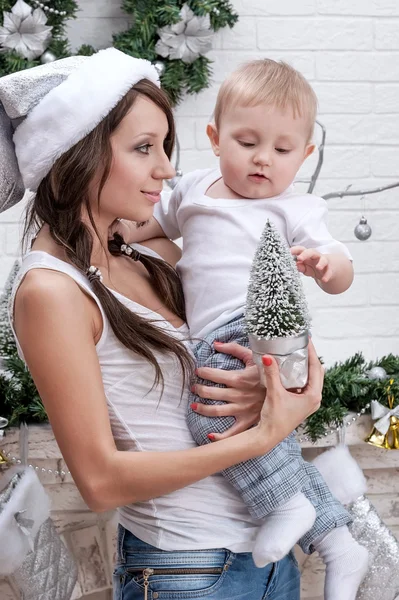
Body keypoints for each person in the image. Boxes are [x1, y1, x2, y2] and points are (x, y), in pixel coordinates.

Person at [0, 48, 325, 600]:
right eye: (143, 148)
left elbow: (272, 320)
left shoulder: (148, 253)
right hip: (187, 572)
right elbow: (100, 482)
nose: (169, 169)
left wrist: (278, 380)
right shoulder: (50, 291)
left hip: (268, 560)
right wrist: (264, 435)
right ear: (75, 152)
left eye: (166, 147)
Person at [117, 59, 369, 600]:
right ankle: (335, 537)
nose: (262, 159)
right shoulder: (191, 190)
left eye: (282, 151)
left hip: (262, 325)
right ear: (213, 137)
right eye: (247, 141)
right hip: (214, 335)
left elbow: (339, 260)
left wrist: (328, 267)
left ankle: (287, 505)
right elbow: (141, 227)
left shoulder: (294, 206)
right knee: (232, 415)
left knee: (209, 414)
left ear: (304, 156)